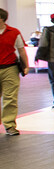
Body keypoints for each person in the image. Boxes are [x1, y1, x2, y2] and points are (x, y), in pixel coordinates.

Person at [0, 8, 30, 136]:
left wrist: (26, 65)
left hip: (10, 68)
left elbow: (21, 50)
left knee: (10, 98)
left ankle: (9, 125)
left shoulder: (14, 32)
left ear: (1, 19)